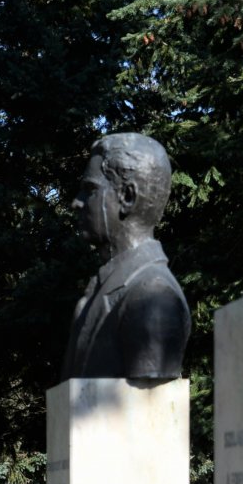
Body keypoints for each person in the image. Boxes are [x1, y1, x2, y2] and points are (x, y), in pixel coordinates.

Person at [61, 132, 191, 381]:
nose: (76, 203)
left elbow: (146, 409)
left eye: (90, 190)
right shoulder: (103, 290)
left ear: (127, 197)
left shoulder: (152, 294)